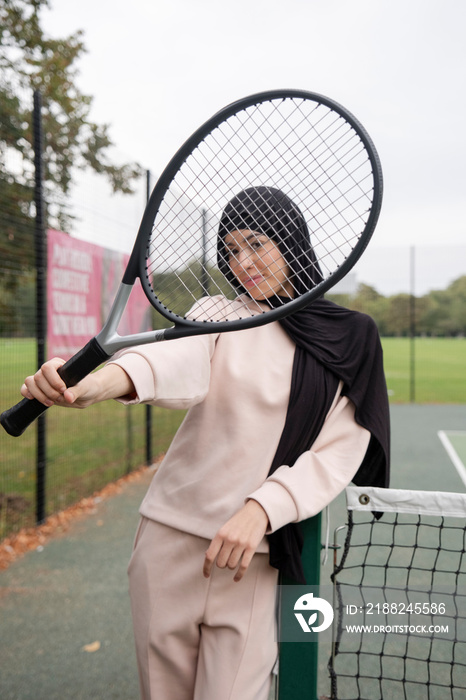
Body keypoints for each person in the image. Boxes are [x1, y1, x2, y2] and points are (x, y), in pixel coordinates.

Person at [21, 186, 390, 700]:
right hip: (167, 543)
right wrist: (87, 386)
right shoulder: (217, 314)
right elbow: (168, 365)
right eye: (232, 250)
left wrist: (261, 509)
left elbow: (340, 449)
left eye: (257, 244)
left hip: (254, 559)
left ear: (291, 242)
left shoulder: (352, 336)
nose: (243, 262)